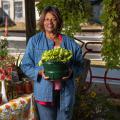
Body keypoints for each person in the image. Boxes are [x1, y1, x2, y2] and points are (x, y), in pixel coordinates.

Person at [20, 6, 83, 120]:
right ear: (43, 21)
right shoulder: (34, 41)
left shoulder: (69, 42)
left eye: (53, 19)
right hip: (44, 94)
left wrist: (71, 72)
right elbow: (25, 65)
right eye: (46, 19)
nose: (49, 22)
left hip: (66, 94)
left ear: (58, 21)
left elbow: (80, 66)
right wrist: (39, 72)